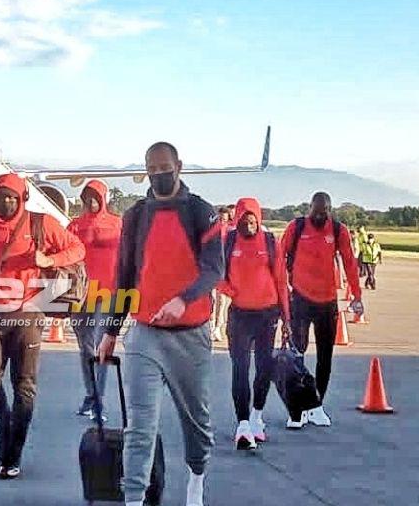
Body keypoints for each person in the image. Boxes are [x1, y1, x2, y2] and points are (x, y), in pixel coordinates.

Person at [98, 142, 223, 506]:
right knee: (140, 425)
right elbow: (124, 275)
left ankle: (196, 481)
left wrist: (184, 300)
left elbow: (214, 269)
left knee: (196, 423)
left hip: (191, 337)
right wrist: (109, 331)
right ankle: (134, 498)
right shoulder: (136, 216)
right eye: (151, 170)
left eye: (164, 168)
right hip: (145, 336)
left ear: (179, 167)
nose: (158, 175)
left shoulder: (201, 213)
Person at [0, 172, 85, 480]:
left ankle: (11, 456)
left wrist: (48, 261)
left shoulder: (41, 224)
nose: (6, 202)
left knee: (24, 385)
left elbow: (77, 249)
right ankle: (4, 419)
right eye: (0, 196)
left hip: (29, 313)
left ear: (22, 198)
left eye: (12, 197)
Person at [282, 192, 362, 429]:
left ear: (330, 210)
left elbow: (350, 262)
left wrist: (357, 294)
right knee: (296, 355)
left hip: (327, 302)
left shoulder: (338, 231)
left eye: (325, 211)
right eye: (316, 211)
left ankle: (317, 406)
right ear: (309, 208)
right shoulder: (296, 227)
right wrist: (280, 292)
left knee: (325, 357)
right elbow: (279, 256)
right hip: (300, 299)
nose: (320, 215)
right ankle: (297, 409)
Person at [217, 197, 290, 450]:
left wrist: (287, 319)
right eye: (244, 221)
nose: (248, 225)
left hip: (268, 315)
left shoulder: (270, 243)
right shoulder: (228, 242)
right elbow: (215, 273)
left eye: (253, 221)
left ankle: (257, 416)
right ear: (236, 220)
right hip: (240, 316)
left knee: (264, 367)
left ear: (258, 220)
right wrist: (230, 290)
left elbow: (281, 280)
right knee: (240, 369)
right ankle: (243, 424)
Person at [66, 179, 122, 420]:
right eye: (87, 196)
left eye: (96, 197)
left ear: (104, 199)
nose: (91, 201)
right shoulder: (74, 226)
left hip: (107, 293)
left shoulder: (118, 225)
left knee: (100, 345)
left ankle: (99, 400)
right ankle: (91, 394)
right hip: (80, 295)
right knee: (85, 347)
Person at [210, 205, 235, 342]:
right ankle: (211, 323)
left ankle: (217, 327)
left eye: (224, 219)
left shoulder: (231, 231)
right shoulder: (211, 230)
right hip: (210, 267)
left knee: (221, 300)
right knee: (211, 299)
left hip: (223, 269)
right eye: (220, 219)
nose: (222, 221)